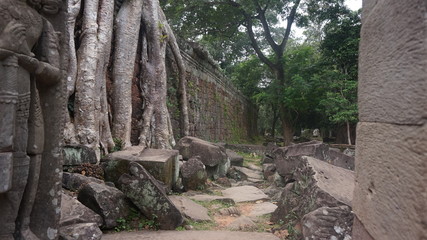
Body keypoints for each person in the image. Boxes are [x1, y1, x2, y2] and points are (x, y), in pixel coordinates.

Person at [0, 0, 61, 239]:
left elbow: (55, 72)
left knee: (21, 160)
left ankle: (11, 227)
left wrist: (33, 63)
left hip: (24, 98)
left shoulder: (40, 22)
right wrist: (3, 46)